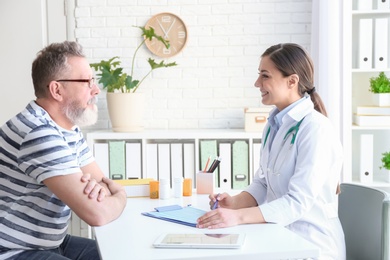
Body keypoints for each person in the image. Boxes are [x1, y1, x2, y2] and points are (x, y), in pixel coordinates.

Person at [197, 43, 346, 259]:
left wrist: (238, 218)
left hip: (312, 245)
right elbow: (264, 182)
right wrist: (235, 203)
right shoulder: (274, 124)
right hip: (280, 236)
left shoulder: (316, 129)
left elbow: (297, 202)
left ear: (292, 81)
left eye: (265, 76)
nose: (257, 83)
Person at [0, 41, 127, 259]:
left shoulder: (66, 126)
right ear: (57, 89)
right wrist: (122, 195)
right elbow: (98, 213)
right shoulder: (39, 132)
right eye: (87, 82)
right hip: (13, 250)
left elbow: (101, 183)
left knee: (117, 253)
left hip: (49, 243)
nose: (96, 89)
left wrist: (107, 193)